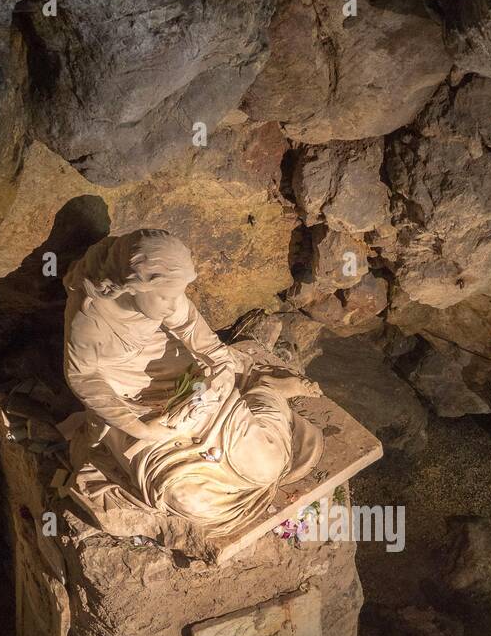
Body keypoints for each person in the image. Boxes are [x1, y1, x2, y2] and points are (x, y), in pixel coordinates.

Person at [62, 229, 323, 536]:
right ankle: (257, 397)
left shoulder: (165, 300)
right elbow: (82, 378)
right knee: (189, 501)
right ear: (134, 285)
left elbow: (209, 348)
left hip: (186, 384)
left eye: (177, 293)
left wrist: (219, 377)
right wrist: (144, 429)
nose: (173, 303)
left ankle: (265, 390)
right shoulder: (90, 320)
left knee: (267, 462)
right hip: (136, 410)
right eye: (164, 295)